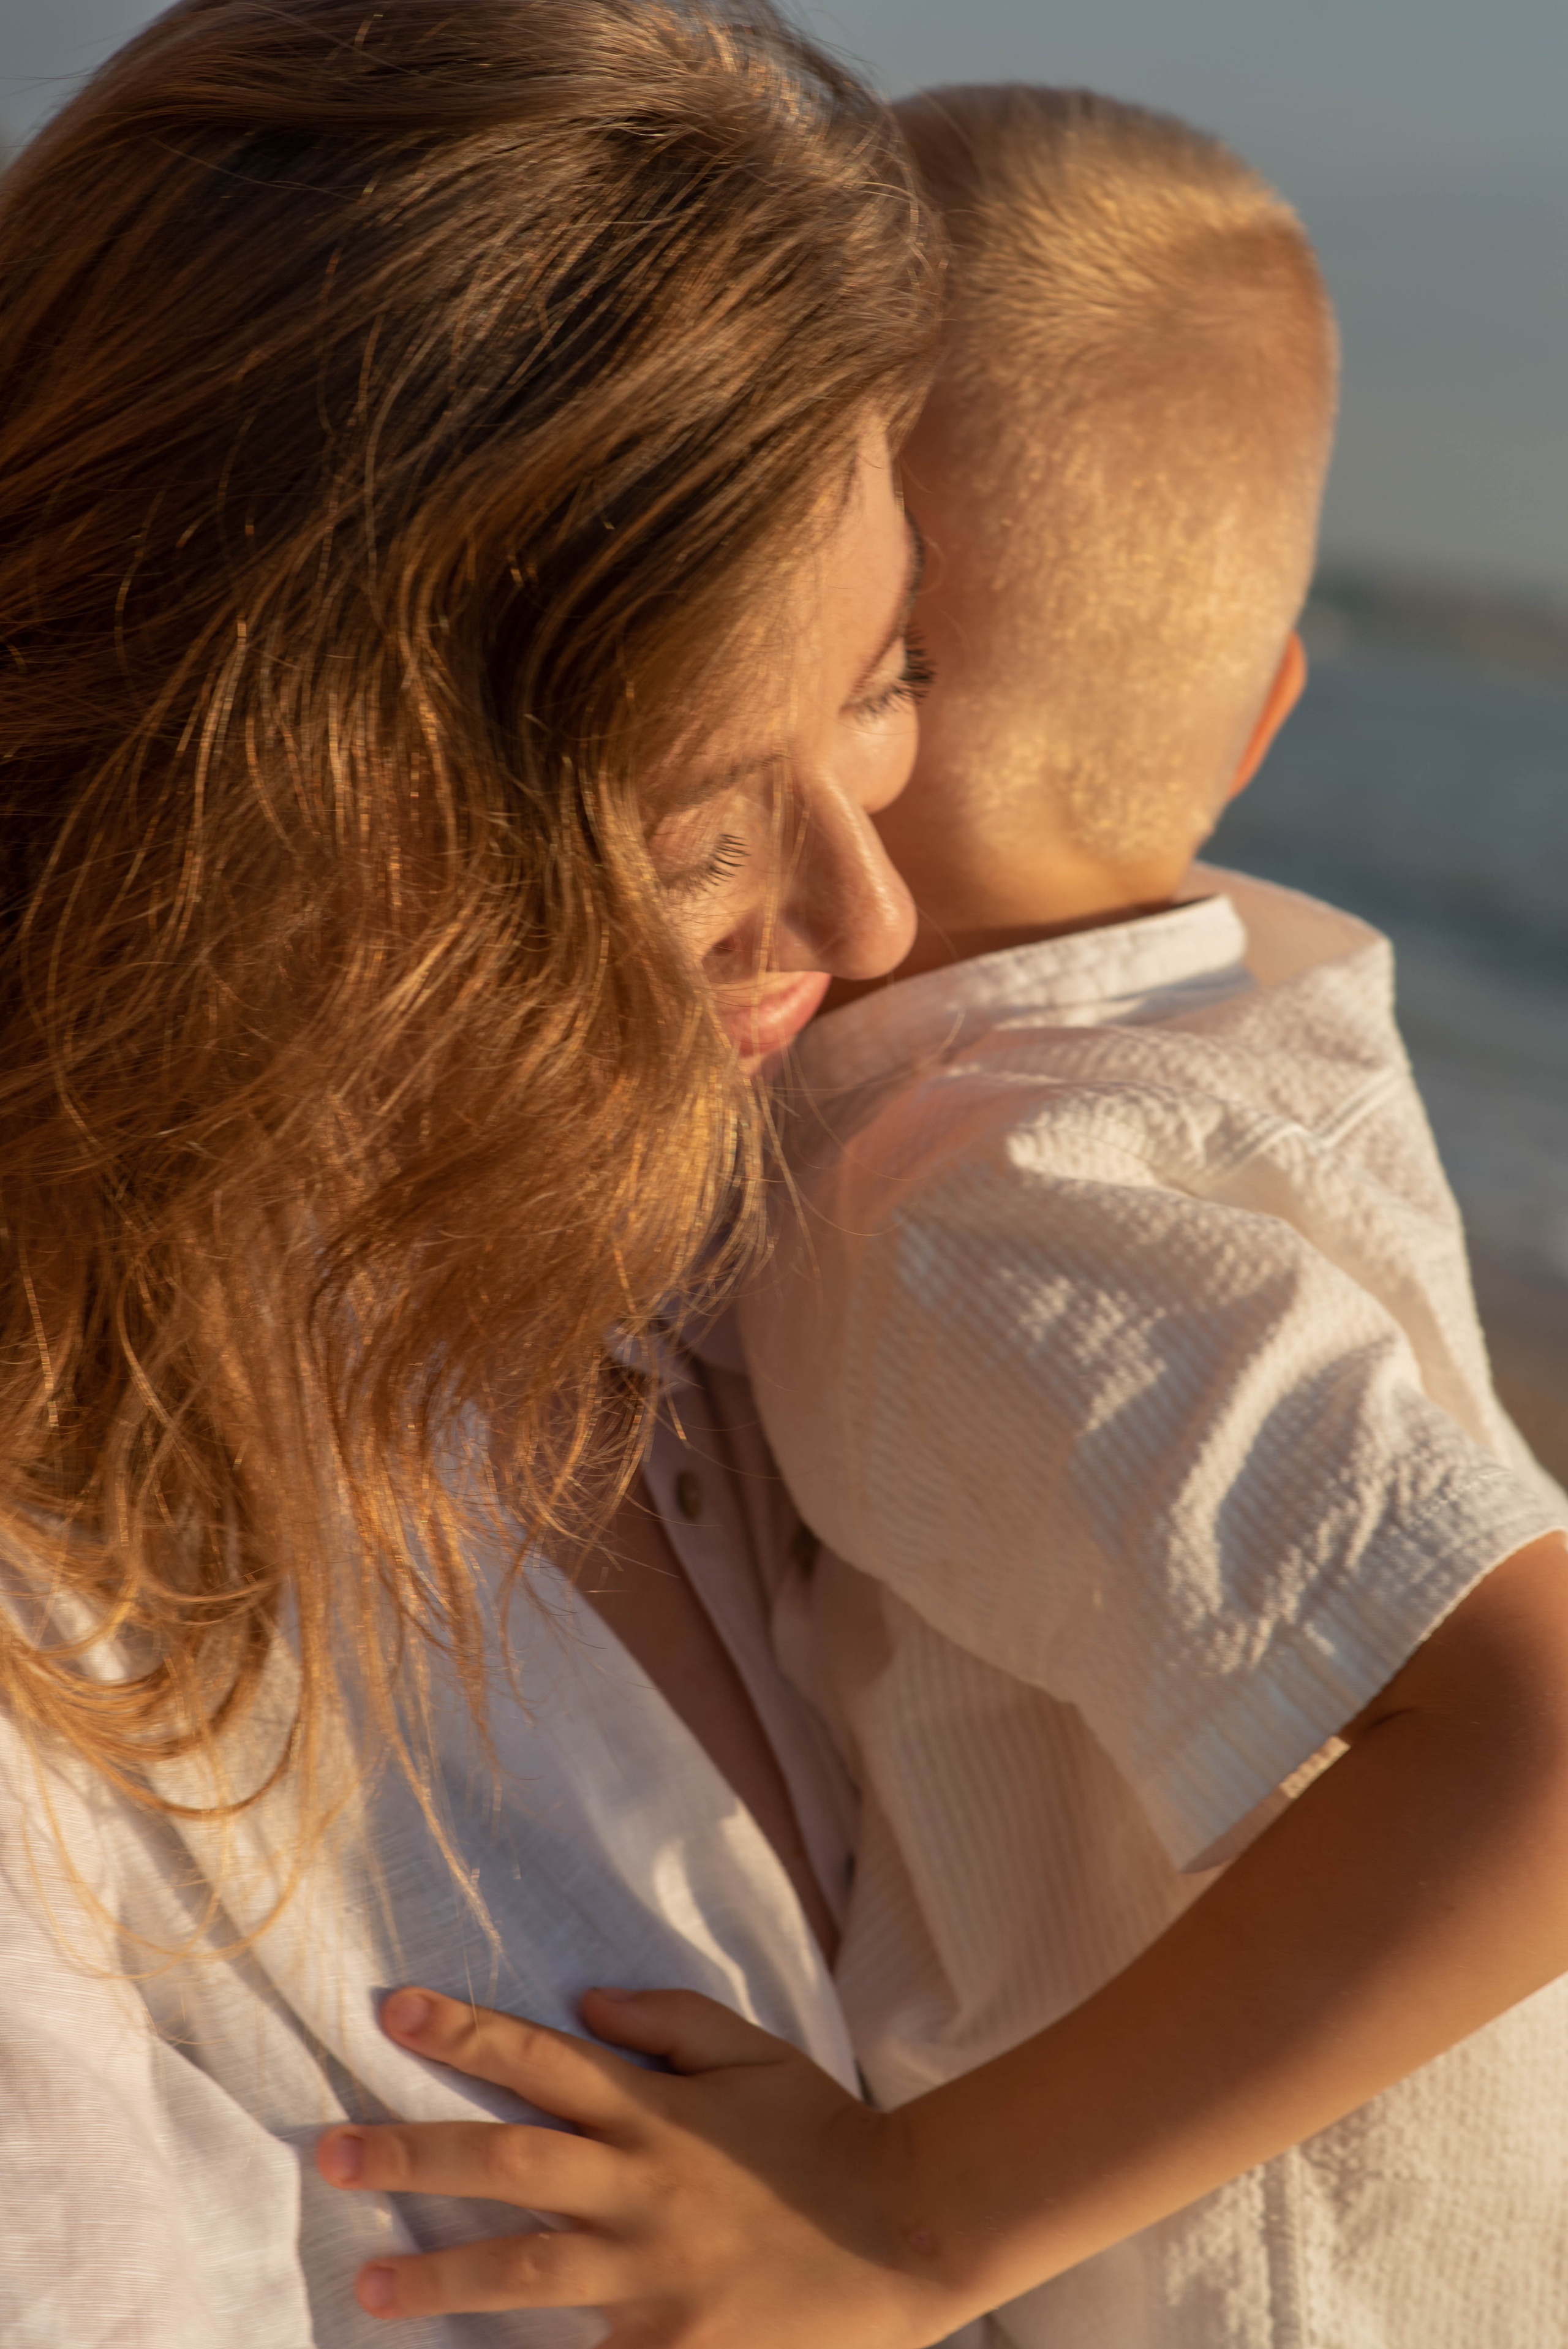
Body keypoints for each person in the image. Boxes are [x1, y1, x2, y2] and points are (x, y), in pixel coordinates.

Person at [313, 85, 1568, 2349]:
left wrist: (912, 2218)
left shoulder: (973, 1200)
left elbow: (1543, 1739)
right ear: (1266, 718)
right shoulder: (1245, 1029)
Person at [0, 2, 944, 2340]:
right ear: (278, 811)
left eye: (884, 680)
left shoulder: (720, 1241)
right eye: (695, 817)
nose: (871, 920)